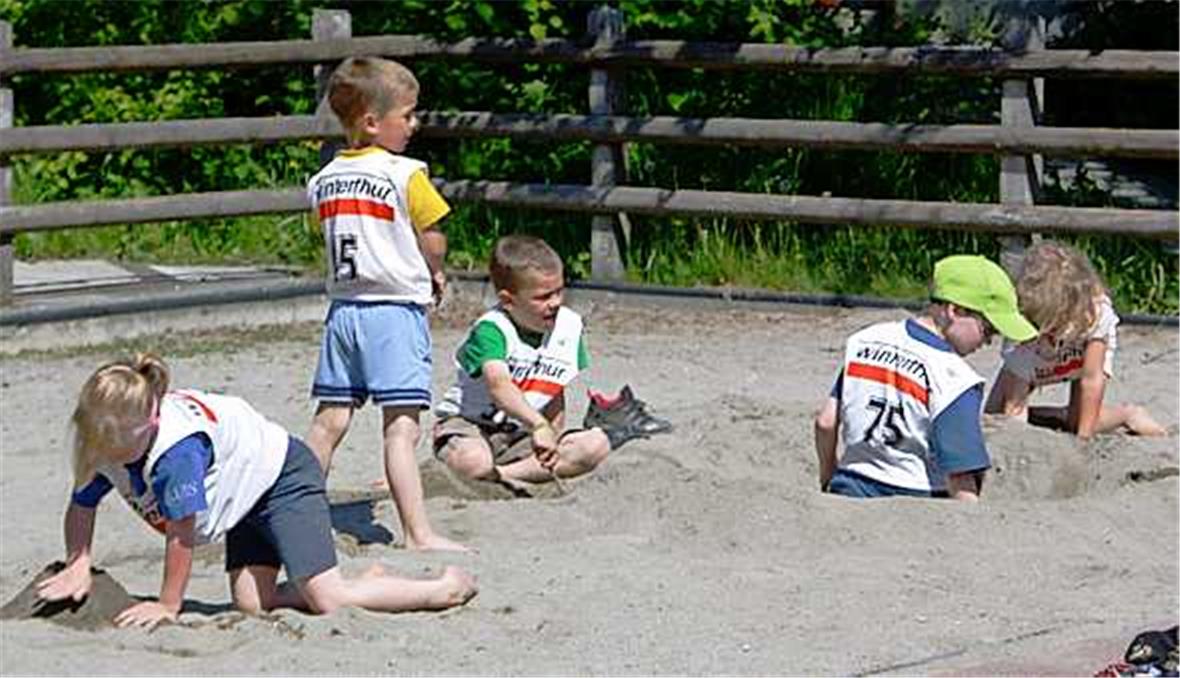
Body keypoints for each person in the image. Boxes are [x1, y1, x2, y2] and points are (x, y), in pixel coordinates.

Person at [36, 354, 477, 629]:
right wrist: (79, 562)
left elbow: (181, 536)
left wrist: (168, 605)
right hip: (242, 494)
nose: (105, 453)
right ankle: (369, 582)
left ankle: (441, 588)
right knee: (253, 604)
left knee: (328, 601)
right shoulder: (105, 437)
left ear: (148, 425)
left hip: (281, 476)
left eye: (115, 445)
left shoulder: (176, 455)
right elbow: (81, 505)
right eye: (99, 443)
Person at [304, 57, 465, 551]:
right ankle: (418, 533)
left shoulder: (323, 179)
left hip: (343, 314)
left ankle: (294, 509)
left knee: (329, 422)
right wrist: (435, 270)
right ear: (373, 122)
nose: (414, 125)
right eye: (408, 115)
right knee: (401, 430)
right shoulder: (406, 173)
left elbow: (325, 235)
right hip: (393, 312)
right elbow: (431, 233)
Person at [432, 234, 672, 493]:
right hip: (470, 425)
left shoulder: (569, 327)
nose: (555, 302)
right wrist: (539, 425)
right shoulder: (491, 330)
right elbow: (499, 386)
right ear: (508, 300)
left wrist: (553, 437)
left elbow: (553, 391)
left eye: (559, 291)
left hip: (520, 434)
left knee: (596, 445)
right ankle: (478, 472)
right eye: (543, 297)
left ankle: (500, 474)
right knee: (473, 461)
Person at [813, 255, 1038, 501]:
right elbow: (959, 477)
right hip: (916, 498)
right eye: (987, 329)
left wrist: (829, 477)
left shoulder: (864, 340)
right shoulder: (956, 379)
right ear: (954, 310)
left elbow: (825, 422)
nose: (988, 342)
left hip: (850, 485)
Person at [984, 240, 1166, 438]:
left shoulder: (1094, 314)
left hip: (1080, 354)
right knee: (994, 415)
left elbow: (1092, 379)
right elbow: (1014, 407)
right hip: (1037, 354)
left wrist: (1083, 439)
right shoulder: (1021, 334)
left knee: (1079, 421)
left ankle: (1127, 414)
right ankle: (1049, 419)